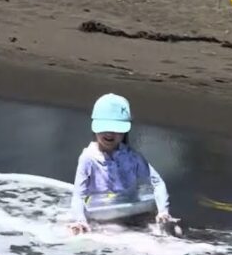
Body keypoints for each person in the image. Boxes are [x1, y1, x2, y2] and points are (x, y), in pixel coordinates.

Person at [70, 93, 172, 233]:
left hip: (130, 213)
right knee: (78, 233)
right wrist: (80, 220)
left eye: (116, 129)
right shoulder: (89, 158)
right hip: (100, 216)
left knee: (173, 231)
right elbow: (78, 195)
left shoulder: (132, 157)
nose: (110, 133)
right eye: (105, 127)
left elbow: (157, 182)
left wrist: (163, 211)